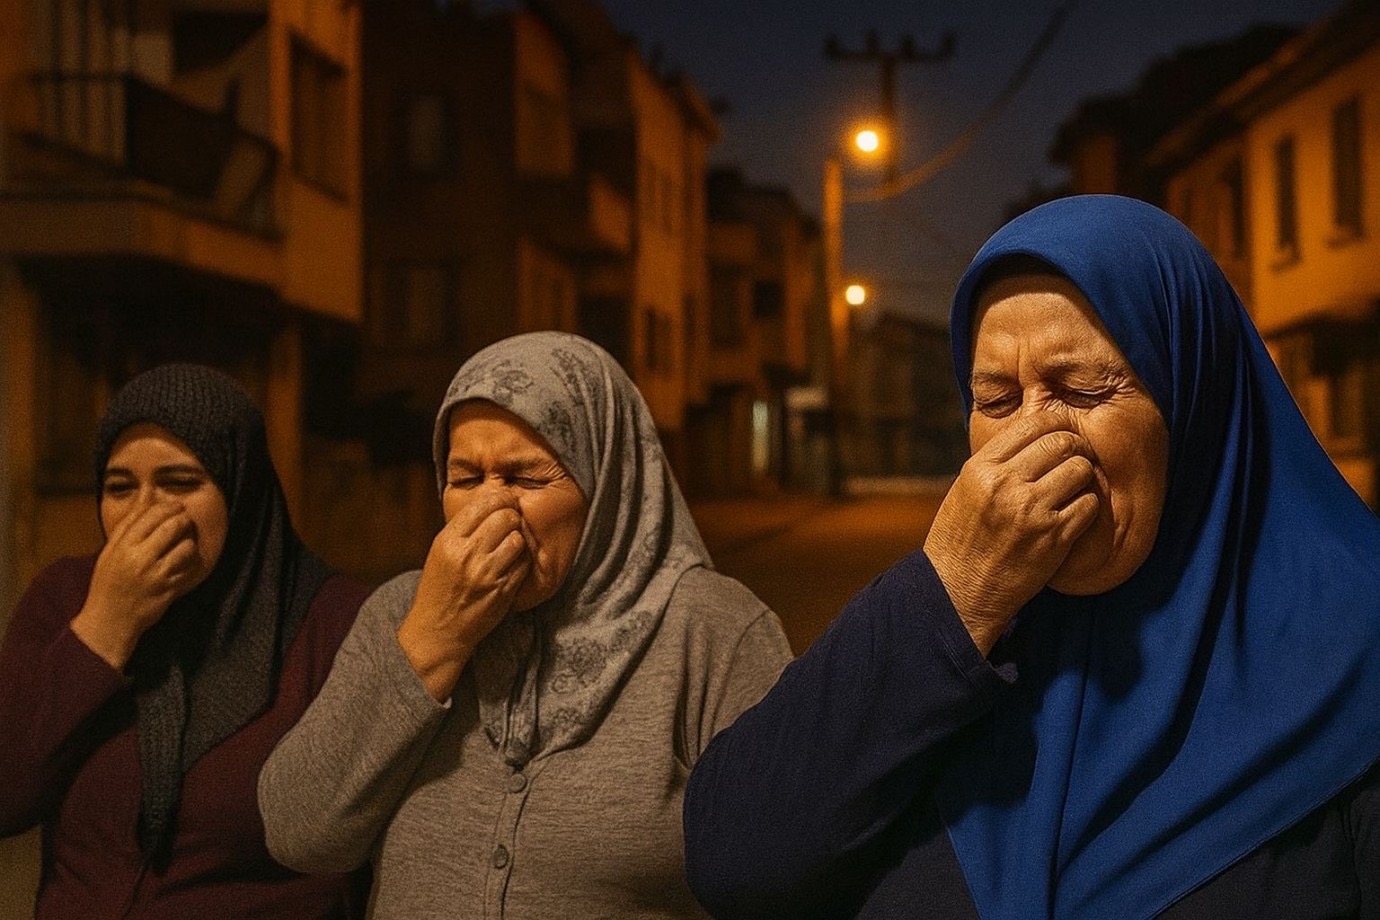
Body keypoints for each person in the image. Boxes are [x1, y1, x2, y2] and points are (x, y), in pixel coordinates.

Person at [682, 195, 1380, 919]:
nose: (1034, 443)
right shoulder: (953, 640)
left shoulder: (1355, 648)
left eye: (1081, 391)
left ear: (1191, 409)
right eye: (996, 400)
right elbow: (736, 864)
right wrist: (950, 592)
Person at [257, 331, 793, 918]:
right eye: (465, 479)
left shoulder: (712, 630)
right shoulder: (400, 612)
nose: (490, 508)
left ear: (606, 487)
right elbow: (299, 834)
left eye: (526, 478)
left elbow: (788, 868)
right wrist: (434, 639)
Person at [0, 363, 371, 918]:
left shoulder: (335, 621)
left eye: (180, 483)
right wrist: (105, 627)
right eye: (119, 487)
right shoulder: (67, 598)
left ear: (239, 491)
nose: (146, 512)